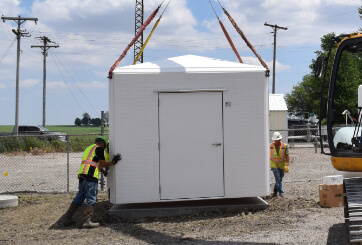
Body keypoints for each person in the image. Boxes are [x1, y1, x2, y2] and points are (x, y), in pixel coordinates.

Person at [63, 136, 121, 228]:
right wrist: (113, 162)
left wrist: (105, 172)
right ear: (102, 143)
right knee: (91, 198)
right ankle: (87, 222)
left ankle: (67, 219)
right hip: (91, 176)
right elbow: (102, 163)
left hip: (82, 175)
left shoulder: (89, 148)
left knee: (79, 197)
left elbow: (96, 164)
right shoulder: (99, 149)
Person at [270, 132, 289, 198]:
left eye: (278, 140)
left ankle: (275, 192)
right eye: (276, 140)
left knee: (279, 179)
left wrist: (287, 164)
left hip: (281, 165)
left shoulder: (285, 146)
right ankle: (281, 193)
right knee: (278, 178)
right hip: (274, 165)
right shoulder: (270, 146)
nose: (277, 141)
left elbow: (287, 155)